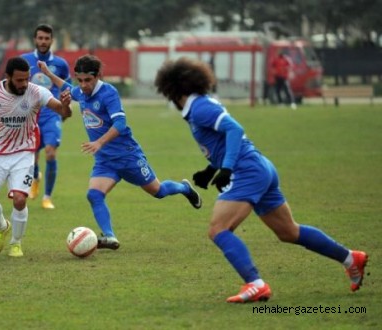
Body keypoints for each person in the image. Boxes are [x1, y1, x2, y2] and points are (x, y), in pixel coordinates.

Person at [154, 57, 368, 303]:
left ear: (171, 89)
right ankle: (351, 259)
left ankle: (255, 284)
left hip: (248, 170)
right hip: (259, 167)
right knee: (288, 231)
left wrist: (227, 168)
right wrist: (211, 169)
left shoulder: (200, 107)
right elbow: (221, 141)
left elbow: (234, 129)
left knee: (218, 230)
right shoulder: (199, 107)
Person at [37, 54, 202, 250]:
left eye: (87, 80)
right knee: (94, 195)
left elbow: (121, 124)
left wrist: (99, 142)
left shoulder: (109, 93)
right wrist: (48, 73)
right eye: (79, 80)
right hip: (105, 161)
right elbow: (67, 88)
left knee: (158, 192)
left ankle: (184, 188)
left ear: (98, 76)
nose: (83, 85)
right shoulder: (81, 92)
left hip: (128, 156)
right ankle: (109, 236)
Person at [0, 57, 72, 257]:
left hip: (24, 154)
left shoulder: (37, 92)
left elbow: (63, 112)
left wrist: (66, 105)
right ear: (8, 77)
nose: (24, 84)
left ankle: (16, 243)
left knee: (19, 200)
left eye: (27, 79)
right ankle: (3, 227)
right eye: (19, 80)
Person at [21, 24, 72, 209]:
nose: (43, 41)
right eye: (40, 38)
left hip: (51, 114)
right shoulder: (24, 60)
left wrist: (64, 110)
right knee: (32, 156)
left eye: (46, 38)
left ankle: (47, 197)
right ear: (35, 39)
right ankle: (35, 177)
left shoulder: (60, 64)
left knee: (50, 152)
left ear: (51, 40)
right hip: (30, 115)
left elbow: (68, 87)